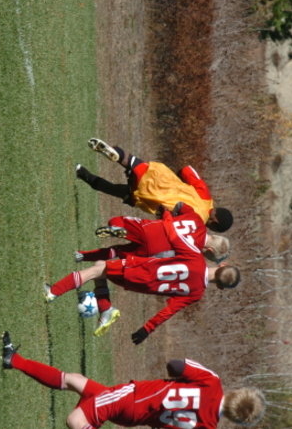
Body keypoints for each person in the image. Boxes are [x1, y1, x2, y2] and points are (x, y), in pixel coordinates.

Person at [45, 209, 241, 343]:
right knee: (100, 268)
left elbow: (173, 235)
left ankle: (52, 292)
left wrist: (166, 214)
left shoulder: (195, 256)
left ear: (222, 265)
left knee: (95, 271)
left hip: (139, 268)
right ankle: (105, 310)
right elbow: (169, 311)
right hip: (141, 286)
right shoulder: (197, 293)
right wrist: (147, 329)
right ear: (220, 286)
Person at [1, 331, 266, 428]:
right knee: (74, 380)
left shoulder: (212, 382)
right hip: (135, 417)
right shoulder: (207, 427)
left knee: (76, 420)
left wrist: (172, 381)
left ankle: (14, 360)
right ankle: (13, 360)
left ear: (238, 392)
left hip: (132, 397)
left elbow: (176, 365)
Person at [76, 138, 233, 233]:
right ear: (215, 222)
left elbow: (187, 170)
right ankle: (81, 172)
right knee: (114, 190)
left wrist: (179, 182)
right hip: (148, 200)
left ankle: (117, 155)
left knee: (129, 161)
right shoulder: (195, 225)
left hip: (159, 178)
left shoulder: (206, 196)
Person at [75, 202, 230, 264]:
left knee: (117, 220)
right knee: (118, 252)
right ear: (209, 250)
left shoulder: (197, 220)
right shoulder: (193, 254)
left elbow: (180, 205)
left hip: (152, 229)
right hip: (153, 250)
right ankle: (82, 256)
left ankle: (116, 229)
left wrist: (169, 214)